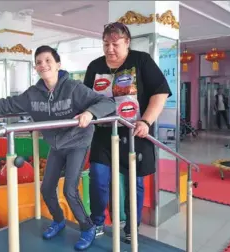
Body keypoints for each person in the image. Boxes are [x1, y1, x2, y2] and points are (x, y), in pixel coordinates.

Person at [0, 45, 116, 250]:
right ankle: (59, 220)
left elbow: (107, 102)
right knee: (46, 188)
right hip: (56, 145)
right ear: (35, 68)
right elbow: (6, 105)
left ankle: (87, 227)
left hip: (77, 143)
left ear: (58, 65)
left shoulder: (73, 88)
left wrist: (90, 113)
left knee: (69, 189)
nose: (43, 65)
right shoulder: (33, 95)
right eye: (39, 62)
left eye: (47, 61)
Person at [83, 22, 171, 243]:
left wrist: (146, 121)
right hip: (103, 134)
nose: (109, 49)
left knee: (134, 183)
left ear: (127, 42)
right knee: (98, 179)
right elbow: (85, 99)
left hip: (134, 133)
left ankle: (131, 227)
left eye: (115, 44)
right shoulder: (95, 66)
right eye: (105, 44)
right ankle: (97, 222)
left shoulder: (141, 61)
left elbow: (160, 92)